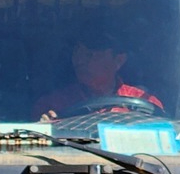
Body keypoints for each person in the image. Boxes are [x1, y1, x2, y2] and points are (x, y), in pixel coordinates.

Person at [33, 29, 164, 121]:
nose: (79, 61)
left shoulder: (146, 105)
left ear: (118, 60)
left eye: (89, 55)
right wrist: (45, 127)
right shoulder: (53, 104)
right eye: (77, 53)